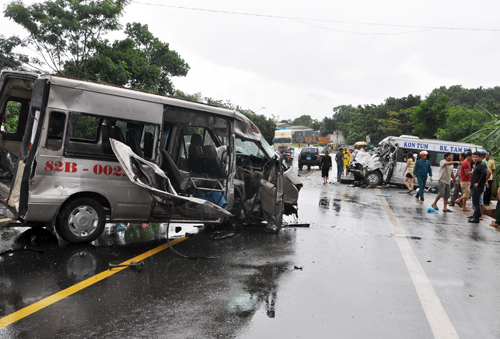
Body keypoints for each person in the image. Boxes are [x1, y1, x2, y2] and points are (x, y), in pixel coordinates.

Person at [469, 151, 488, 223]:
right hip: (474, 186)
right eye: (473, 157)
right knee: (475, 202)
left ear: (480, 157)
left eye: (476, 157)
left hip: (477, 187)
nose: (474, 158)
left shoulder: (481, 165)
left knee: (476, 203)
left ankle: (476, 218)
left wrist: (478, 183)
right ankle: (475, 215)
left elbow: (484, 174)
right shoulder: (477, 165)